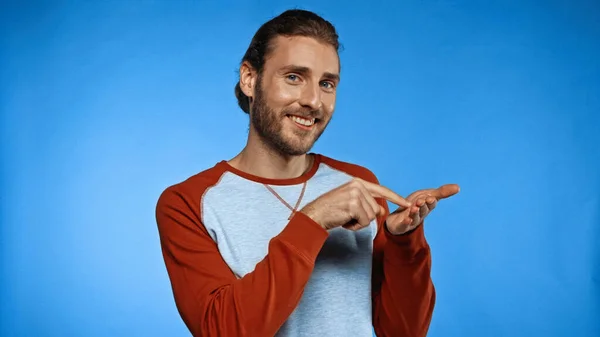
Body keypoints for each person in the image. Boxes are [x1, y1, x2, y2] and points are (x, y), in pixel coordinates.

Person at [155, 9, 459, 337]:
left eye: (326, 83)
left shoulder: (359, 183)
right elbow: (223, 330)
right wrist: (313, 220)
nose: (314, 100)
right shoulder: (187, 203)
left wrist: (403, 242)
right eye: (294, 77)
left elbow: (404, 331)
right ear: (250, 80)